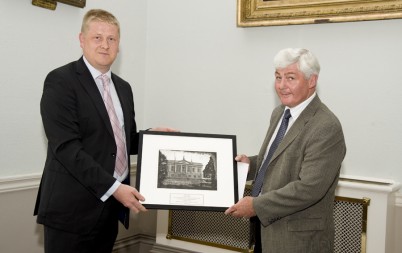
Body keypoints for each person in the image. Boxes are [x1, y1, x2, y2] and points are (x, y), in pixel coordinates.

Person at [34, 9, 176, 253]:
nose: (105, 45)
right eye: (97, 37)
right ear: (82, 40)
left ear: (119, 45)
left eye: (111, 39)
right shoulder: (61, 81)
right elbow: (66, 148)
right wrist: (115, 188)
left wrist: (151, 138)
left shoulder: (123, 88)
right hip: (71, 212)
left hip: (109, 211)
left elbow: (121, 142)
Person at [225, 48, 346, 253]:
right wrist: (250, 164)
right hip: (266, 232)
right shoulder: (280, 113)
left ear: (311, 81)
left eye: (290, 78)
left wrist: (257, 206)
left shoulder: (325, 126)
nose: (281, 86)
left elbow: (309, 188)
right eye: (278, 77)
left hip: (298, 241)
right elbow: (276, 160)